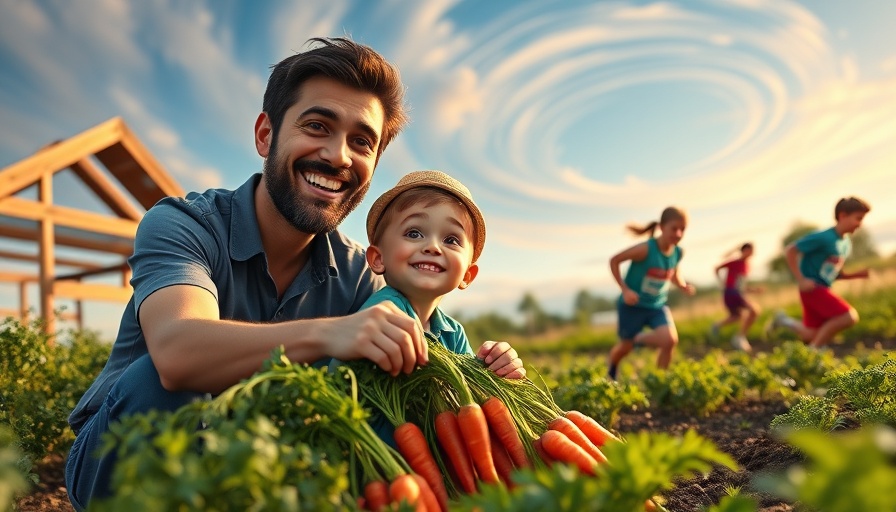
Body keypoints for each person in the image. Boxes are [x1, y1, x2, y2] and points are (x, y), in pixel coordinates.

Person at [64, 38, 517, 510]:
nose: (339, 155)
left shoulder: (359, 273)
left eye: (362, 141)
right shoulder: (184, 224)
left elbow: (414, 365)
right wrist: (331, 334)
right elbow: (178, 352)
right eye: (317, 125)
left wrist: (485, 371)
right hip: (119, 459)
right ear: (266, 135)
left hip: (253, 468)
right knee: (157, 381)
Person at [360, 170, 526, 444]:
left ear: (467, 276)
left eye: (451, 240)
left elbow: (470, 398)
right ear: (378, 258)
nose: (433, 247)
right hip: (381, 464)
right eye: (414, 233)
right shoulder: (383, 312)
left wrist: (499, 368)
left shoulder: (453, 332)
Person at [767, 197, 871, 348]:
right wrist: (801, 280)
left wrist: (855, 275)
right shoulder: (824, 237)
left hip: (822, 288)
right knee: (848, 317)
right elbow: (791, 250)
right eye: (858, 218)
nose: (860, 224)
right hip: (812, 288)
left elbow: (832, 273)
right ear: (842, 216)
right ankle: (814, 352)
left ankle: (783, 321)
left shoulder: (845, 244)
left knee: (812, 334)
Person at [607, 207, 696, 380]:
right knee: (625, 348)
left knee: (670, 341)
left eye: (682, 229)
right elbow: (614, 260)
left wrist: (682, 285)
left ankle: (659, 381)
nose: (678, 233)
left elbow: (674, 272)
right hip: (632, 306)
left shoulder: (678, 252)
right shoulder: (646, 249)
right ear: (662, 227)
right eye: (674, 228)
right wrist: (625, 290)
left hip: (656, 306)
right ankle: (612, 366)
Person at [709, 242, 762, 352]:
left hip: (737, 292)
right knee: (754, 310)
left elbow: (742, 285)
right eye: (750, 250)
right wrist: (721, 282)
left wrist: (753, 290)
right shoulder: (735, 262)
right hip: (732, 292)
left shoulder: (747, 266)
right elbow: (717, 268)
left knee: (737, 316)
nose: (751, 253)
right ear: (744, 250)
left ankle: (717, 325)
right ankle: (739, 337)